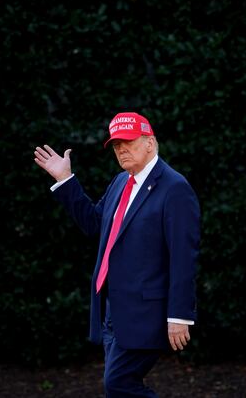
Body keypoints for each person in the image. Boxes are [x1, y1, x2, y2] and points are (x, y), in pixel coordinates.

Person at [34, 111, 200, 397]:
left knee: (119, 384)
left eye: (128, 142)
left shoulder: (175, 189)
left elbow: (184, 256)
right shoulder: (121, 182)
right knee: (119, 388)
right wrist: (65, 179)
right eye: (116, 145)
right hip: (113, 311)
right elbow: (94, 225)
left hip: (148, 312)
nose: (121, 149)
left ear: (150, 142)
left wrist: (179, 315)